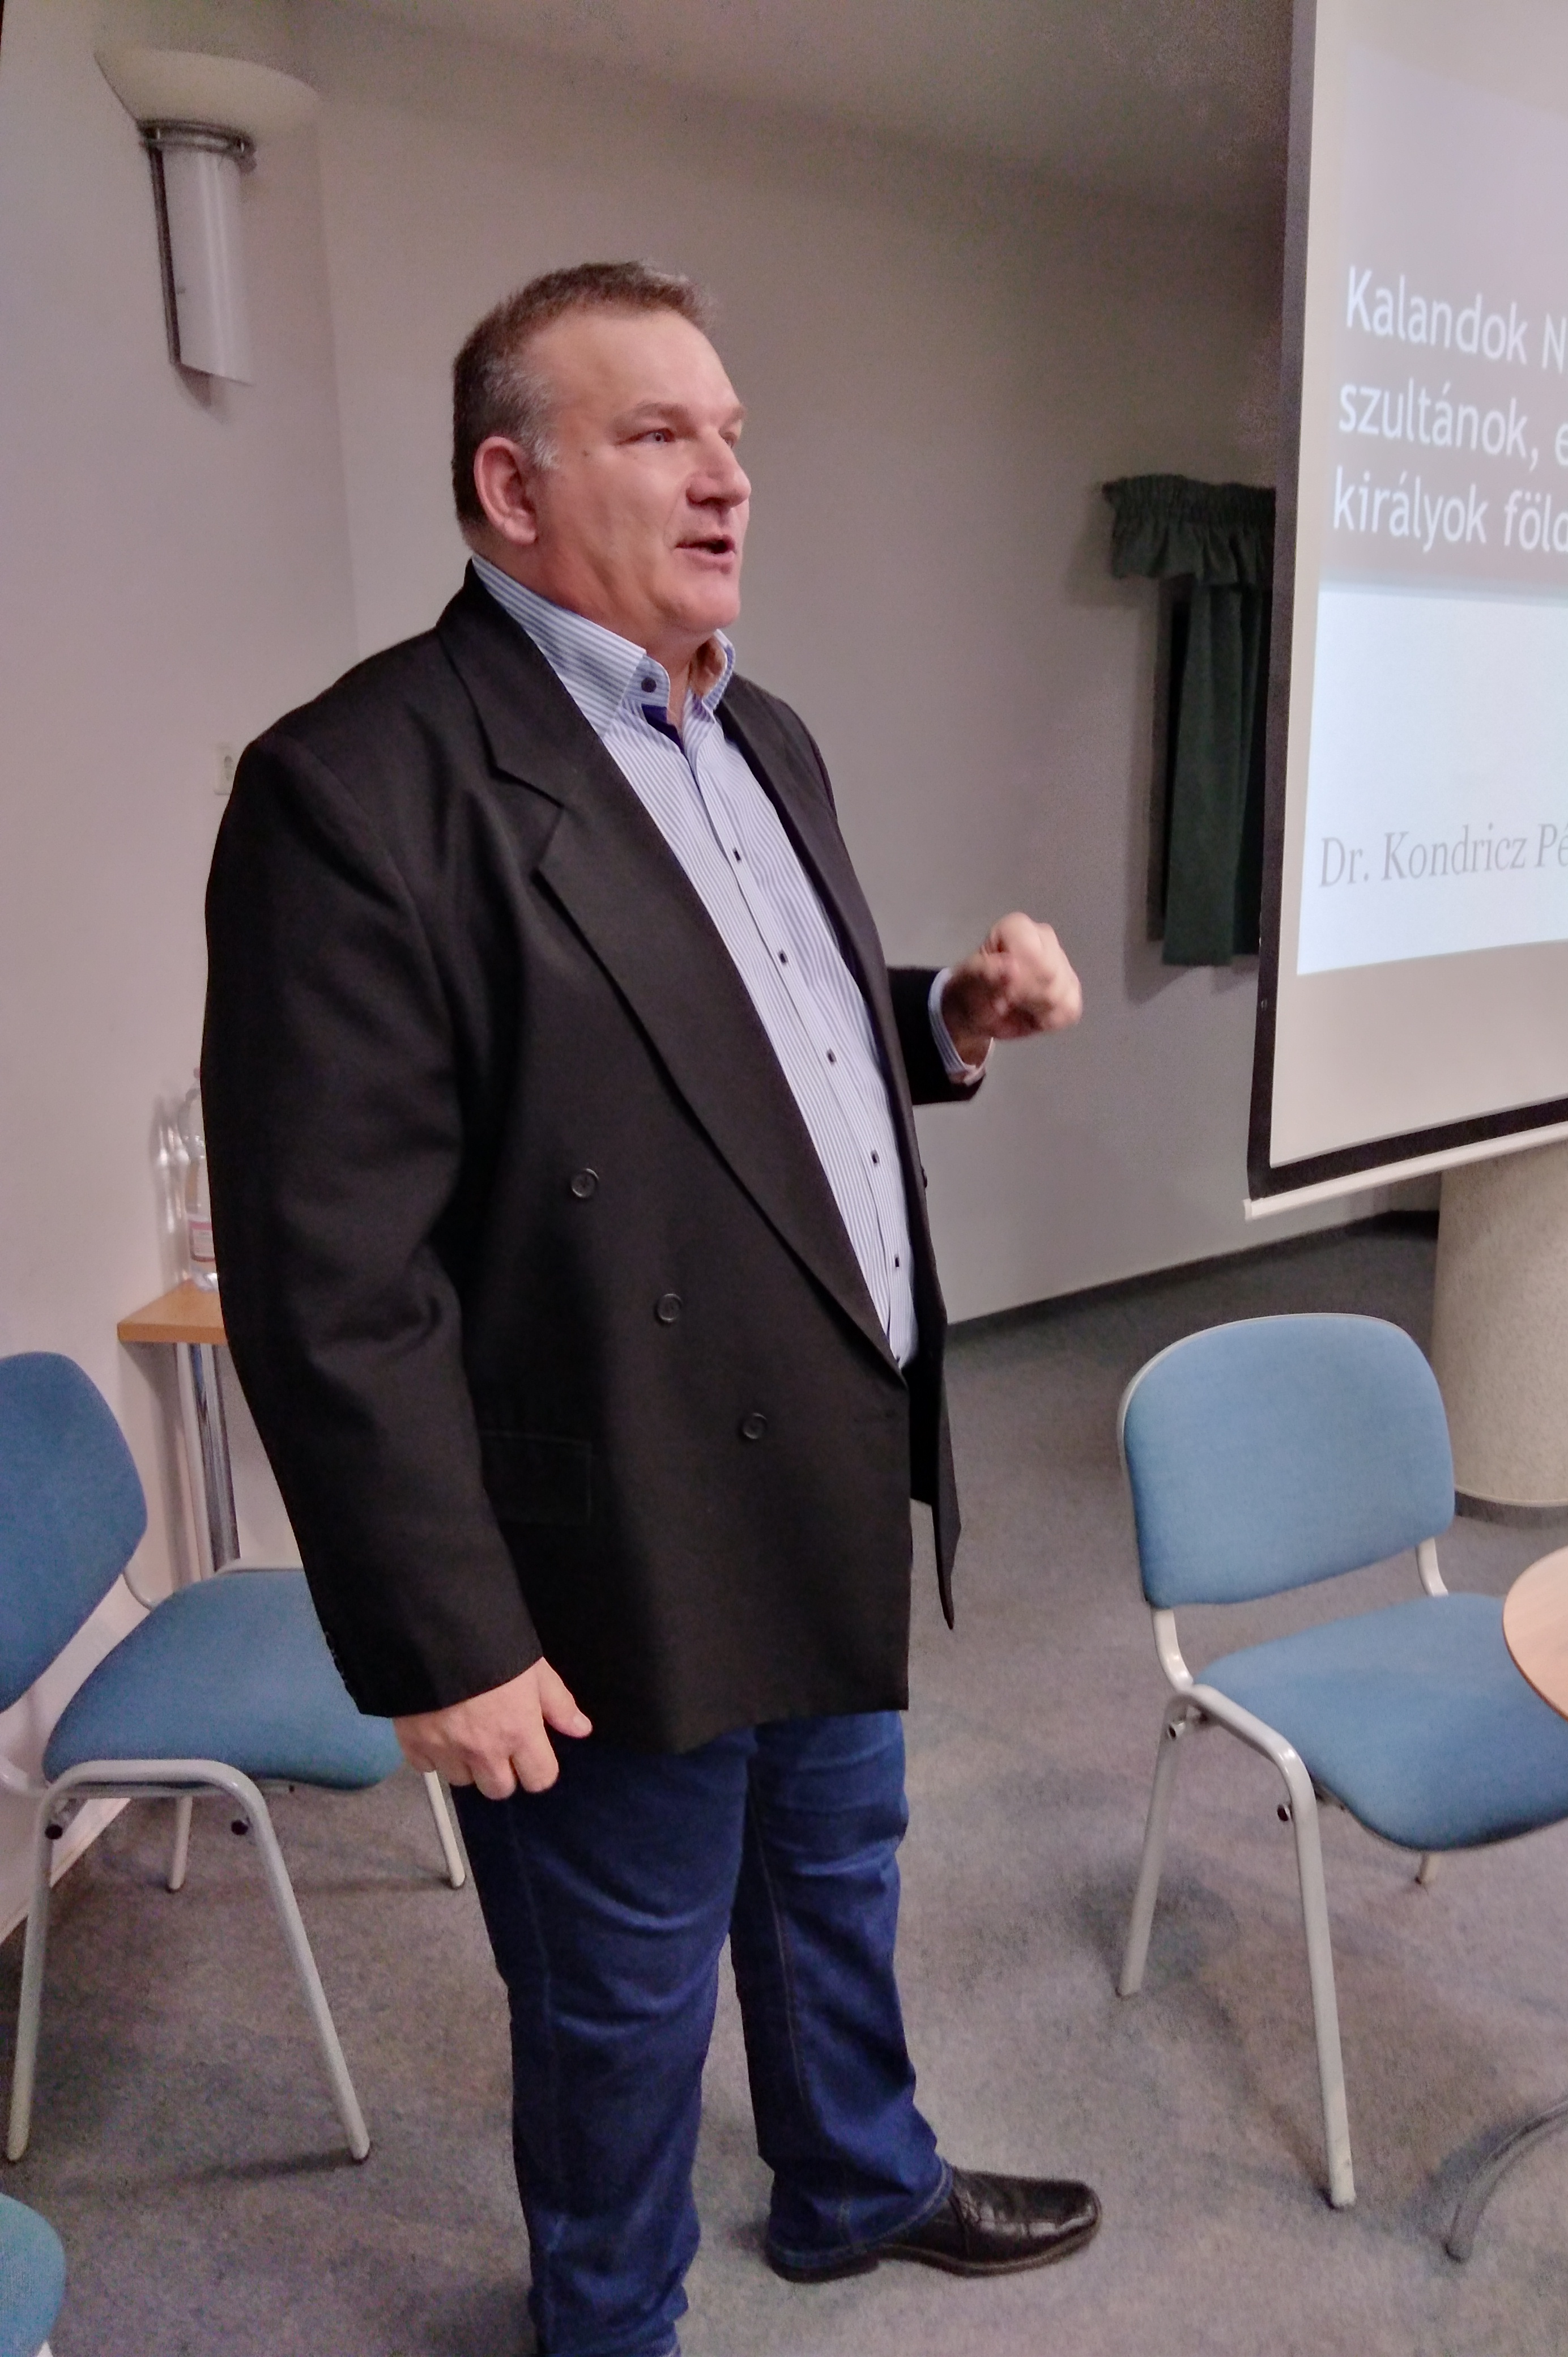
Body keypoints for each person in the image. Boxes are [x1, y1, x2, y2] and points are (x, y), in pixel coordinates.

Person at [202, 261, 1092, 2357]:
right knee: (620, 1990)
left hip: (819, 1462)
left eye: (735, 435)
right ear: (510, 487)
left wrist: (940, 1023)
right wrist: (445, 1631)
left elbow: (733, 1047)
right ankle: (608, 2322)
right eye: (659, 434)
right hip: (597, 1541)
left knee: (838, 1877)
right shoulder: (359, 787)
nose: (727, 479)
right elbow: (330, 1273)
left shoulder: (761, 732)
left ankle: (855, 2176)